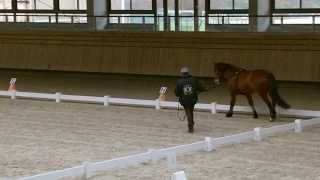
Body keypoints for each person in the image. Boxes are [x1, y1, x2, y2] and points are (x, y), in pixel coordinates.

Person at [175, 66, 206, 133]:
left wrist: (178, 95)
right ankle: (191, 123)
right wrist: (201, 90)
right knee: (191, 111)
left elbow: (177, 92)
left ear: (182, 73)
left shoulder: (179, 81)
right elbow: (201, 88)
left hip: (184, 100)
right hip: (193, 99)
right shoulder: (194, 79)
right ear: (188, 73)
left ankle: (190, 125)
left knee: (188, 111)